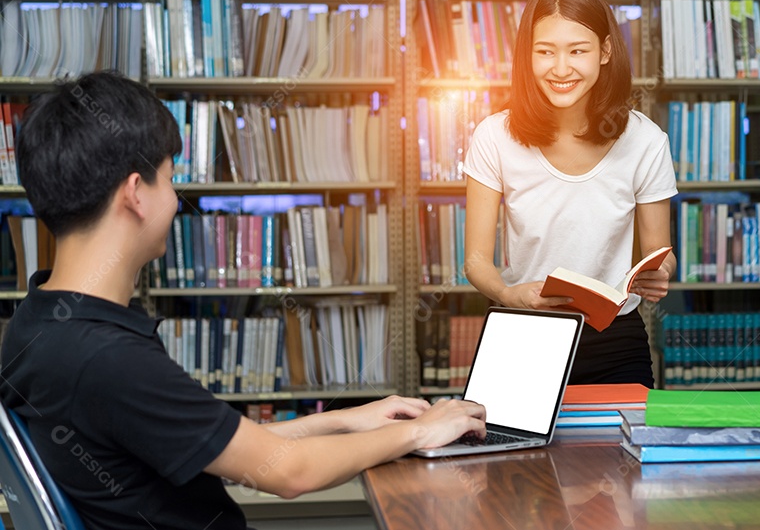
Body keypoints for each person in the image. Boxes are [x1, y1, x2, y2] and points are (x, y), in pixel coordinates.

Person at [0, 71, 486, 530]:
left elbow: (224, 446)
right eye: (169, 179)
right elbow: (290, 472)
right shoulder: (109, 359)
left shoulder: (39, 321)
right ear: (135, 194)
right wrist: (419, 431)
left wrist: (347, 421)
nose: (175, 199)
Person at [463, 0, 678, 387]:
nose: (561, 69)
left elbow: (660, 253)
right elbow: (475, 260)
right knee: (510, 434)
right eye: (545, 51)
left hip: (615, 341)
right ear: (527, 55)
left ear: (605, 51)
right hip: (523, 333)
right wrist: (508, 294)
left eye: (578, 50)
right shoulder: (494, 136)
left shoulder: (646, 140)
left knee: (625, 433)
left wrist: (660, 270)